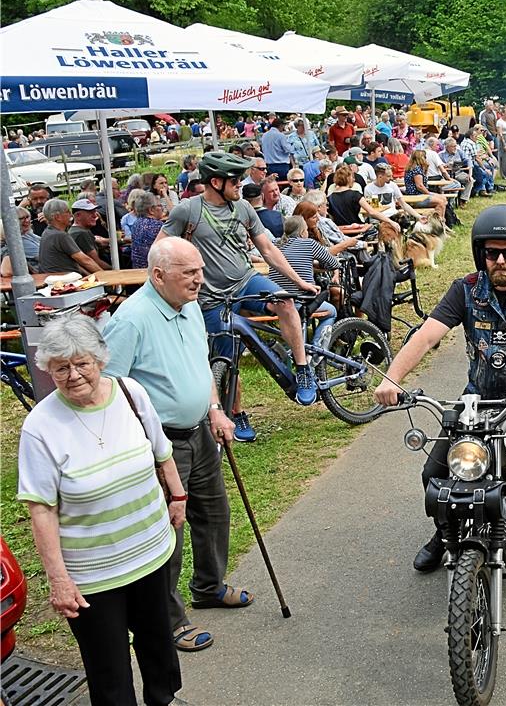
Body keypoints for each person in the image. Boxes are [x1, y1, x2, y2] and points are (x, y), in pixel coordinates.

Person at [374, 205, 506, 570]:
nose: (500, 260)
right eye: (492, 252)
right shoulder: (465, 291)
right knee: (433, 473)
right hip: (480, 397)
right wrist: (391, 379)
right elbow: (426, 337)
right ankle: (446, 532)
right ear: (480, 254)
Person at [18, 313, 187, 705]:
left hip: (150, 552)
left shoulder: (130, 393)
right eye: (61, 368)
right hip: (93, 574)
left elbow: (161, 449)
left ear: (101, 360)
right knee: (109, 669)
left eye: (82, 363)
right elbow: (41, 510)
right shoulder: (40, 427)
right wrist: (59, 580)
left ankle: (164, 700)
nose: (73, 375)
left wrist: (177, 495)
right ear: (48, 370)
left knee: (158, 645)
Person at [101, 237, 246, 656]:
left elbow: (199, 364)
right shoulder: (131, 320)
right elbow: (112, 388)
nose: (199, 279)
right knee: (170, 531)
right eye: (189, 272)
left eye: (199, 270)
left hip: (201, 429)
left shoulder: (190, 306)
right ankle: (168, 620)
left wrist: (216, 409)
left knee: (214, 513)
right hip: (161, 442)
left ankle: (209, 586)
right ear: (159, 274)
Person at [156, 152, 321, 441]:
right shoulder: (187, 211)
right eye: (235, 180)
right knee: (225, 356)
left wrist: (298, 282)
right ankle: (237, 412)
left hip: (246, 280)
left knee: (284, 300)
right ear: (215, 182)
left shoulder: (243, 208)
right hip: (209, 296)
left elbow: (269, 250)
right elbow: (160, 250)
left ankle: (303, 367)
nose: (241, 185)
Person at [268, 217, 339, 346]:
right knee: (331, 311)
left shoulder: (274, 244)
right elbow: (333, 263)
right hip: (300, 301)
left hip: (275, 302)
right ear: (302, 232)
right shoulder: (309, 244)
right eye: (306, 230)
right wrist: (315, 263)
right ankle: (317, 351)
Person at [37, 199, 102, 275]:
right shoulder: (60, 235)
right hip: (64, 281)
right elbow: (85, 260)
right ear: (57, 217)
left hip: (54, 278)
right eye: (67, 212)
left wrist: (90, 276)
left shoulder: (47, 232)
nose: (71, 215)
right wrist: (105, 276)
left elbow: (77, 264)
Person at [402, 150, 450, 220]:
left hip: (414, 195)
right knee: (441, 202)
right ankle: (438, 223)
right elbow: (420, 186)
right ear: (421, 158)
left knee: (443, 198)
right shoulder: (416, 169)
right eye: (425, 157)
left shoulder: (411, 167)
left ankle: (441, 220)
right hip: (416, 197)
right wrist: (429, 194)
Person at [130, 192, 167, 270]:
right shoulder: (158, 226)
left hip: (136, 269)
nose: (162, 208)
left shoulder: (136, 223)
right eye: (160, 205)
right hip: (153, 271)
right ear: (151, 210)